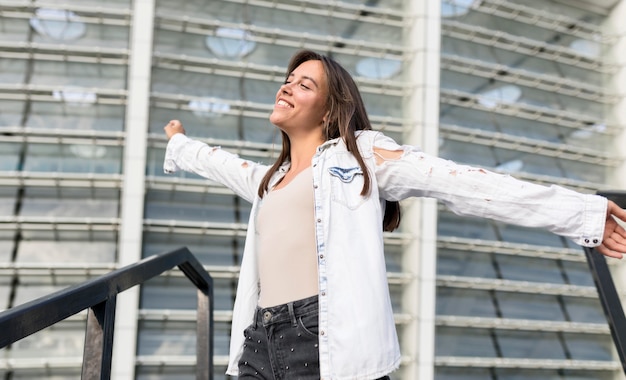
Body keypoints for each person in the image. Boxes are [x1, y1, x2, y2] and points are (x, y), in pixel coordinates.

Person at [163, 49, 626, 380]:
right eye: (289, 78)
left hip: (323, 337)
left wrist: (581, 214)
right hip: (259, 342)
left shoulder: (360, 155)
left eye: (305, 84)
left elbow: (462, 181)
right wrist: (180, 144)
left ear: (328, 111)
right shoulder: (271, 179)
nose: (287, 85)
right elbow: (220, 164)